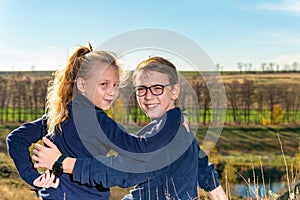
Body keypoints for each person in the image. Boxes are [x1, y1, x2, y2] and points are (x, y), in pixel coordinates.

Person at [32, 56, 228, 199]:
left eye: (157, 88)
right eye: (141, 89)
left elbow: (120, 171)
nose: (148, 96)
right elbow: (202, 164)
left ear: (174, 90)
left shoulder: (169, 131)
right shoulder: (175, 127)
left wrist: (61, 162)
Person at [6, 46, 185, 200]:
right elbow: (141, 150)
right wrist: (174, 117)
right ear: (82, 86)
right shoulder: (98, 122)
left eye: (115, 85)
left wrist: (32, 178)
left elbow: (15, 139)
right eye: (104, 84)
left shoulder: (60, 114)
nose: (112, 92)